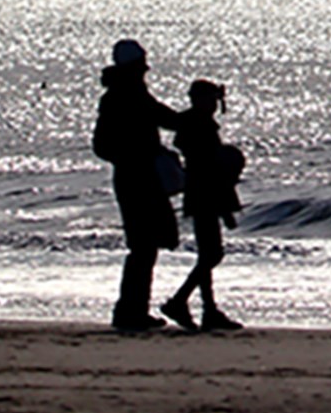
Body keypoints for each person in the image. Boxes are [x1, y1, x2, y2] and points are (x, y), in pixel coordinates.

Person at [92, 39, 178, 332]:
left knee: (145, 246)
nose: (146, 68)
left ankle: (132, 309)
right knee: (144, 246)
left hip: (137, 176)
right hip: (135, 179)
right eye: (142, 63)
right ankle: (131, 311)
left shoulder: (128, 94)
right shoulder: (125, 96)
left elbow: (165, 118)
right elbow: (102, 145)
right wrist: (135, 157)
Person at [159, 80, 245, 333]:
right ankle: (180, 301)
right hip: (206, 193)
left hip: (199, 192)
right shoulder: (201, 126)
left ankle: (208, 309)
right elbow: (213, 170)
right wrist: (226, 208)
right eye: (212, 100)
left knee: (207, 253)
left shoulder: (192, 124)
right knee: (212, 254)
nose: (215, 105)